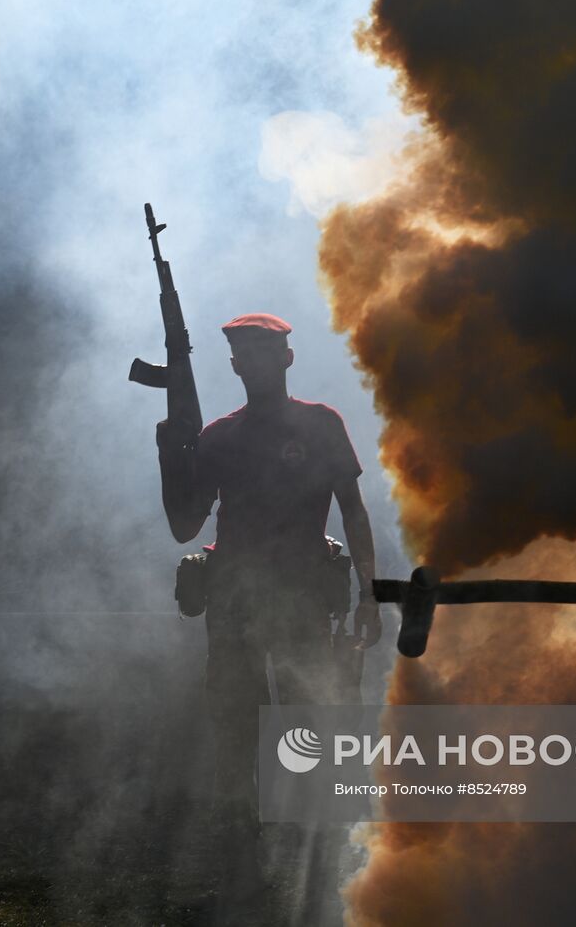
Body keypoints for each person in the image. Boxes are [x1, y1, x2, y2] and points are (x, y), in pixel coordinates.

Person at [155, 312, 380, 835]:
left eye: (264, 350)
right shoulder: (218, 436)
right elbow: (184, 526)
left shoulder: (320, 423)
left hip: (300, 593)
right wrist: (171, 454)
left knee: (308, 719)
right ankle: (239, 838)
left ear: (287, 356)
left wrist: (368, 594)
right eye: (244, 353)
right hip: (236, 595)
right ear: (234, 364)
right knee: (236, 721)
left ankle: (311, 836)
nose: (253, 360)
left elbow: (354, 510)